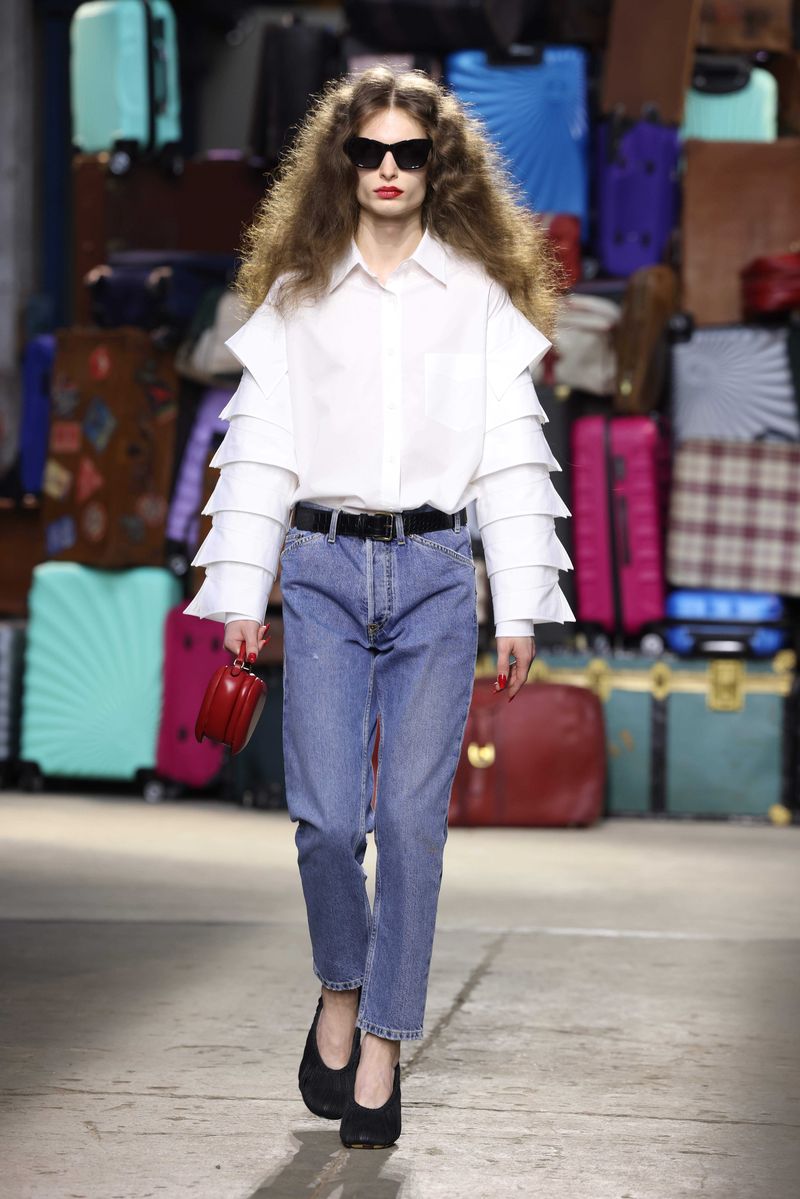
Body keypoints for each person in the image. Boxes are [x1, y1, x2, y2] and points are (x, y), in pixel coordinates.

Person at [183, 65, 573, 1149]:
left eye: (409, 152)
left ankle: (382, 1042)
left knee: (407, 823)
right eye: (371, 152)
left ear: (434, 164)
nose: (390, 169)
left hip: (440, 576)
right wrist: (240, 588)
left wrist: (520, 608)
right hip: (314, 568)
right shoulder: (300, 297)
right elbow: (257, 450)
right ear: (342, 165)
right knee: (325, 823)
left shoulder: (478, 301)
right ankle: (340, 993)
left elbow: (509, 459)